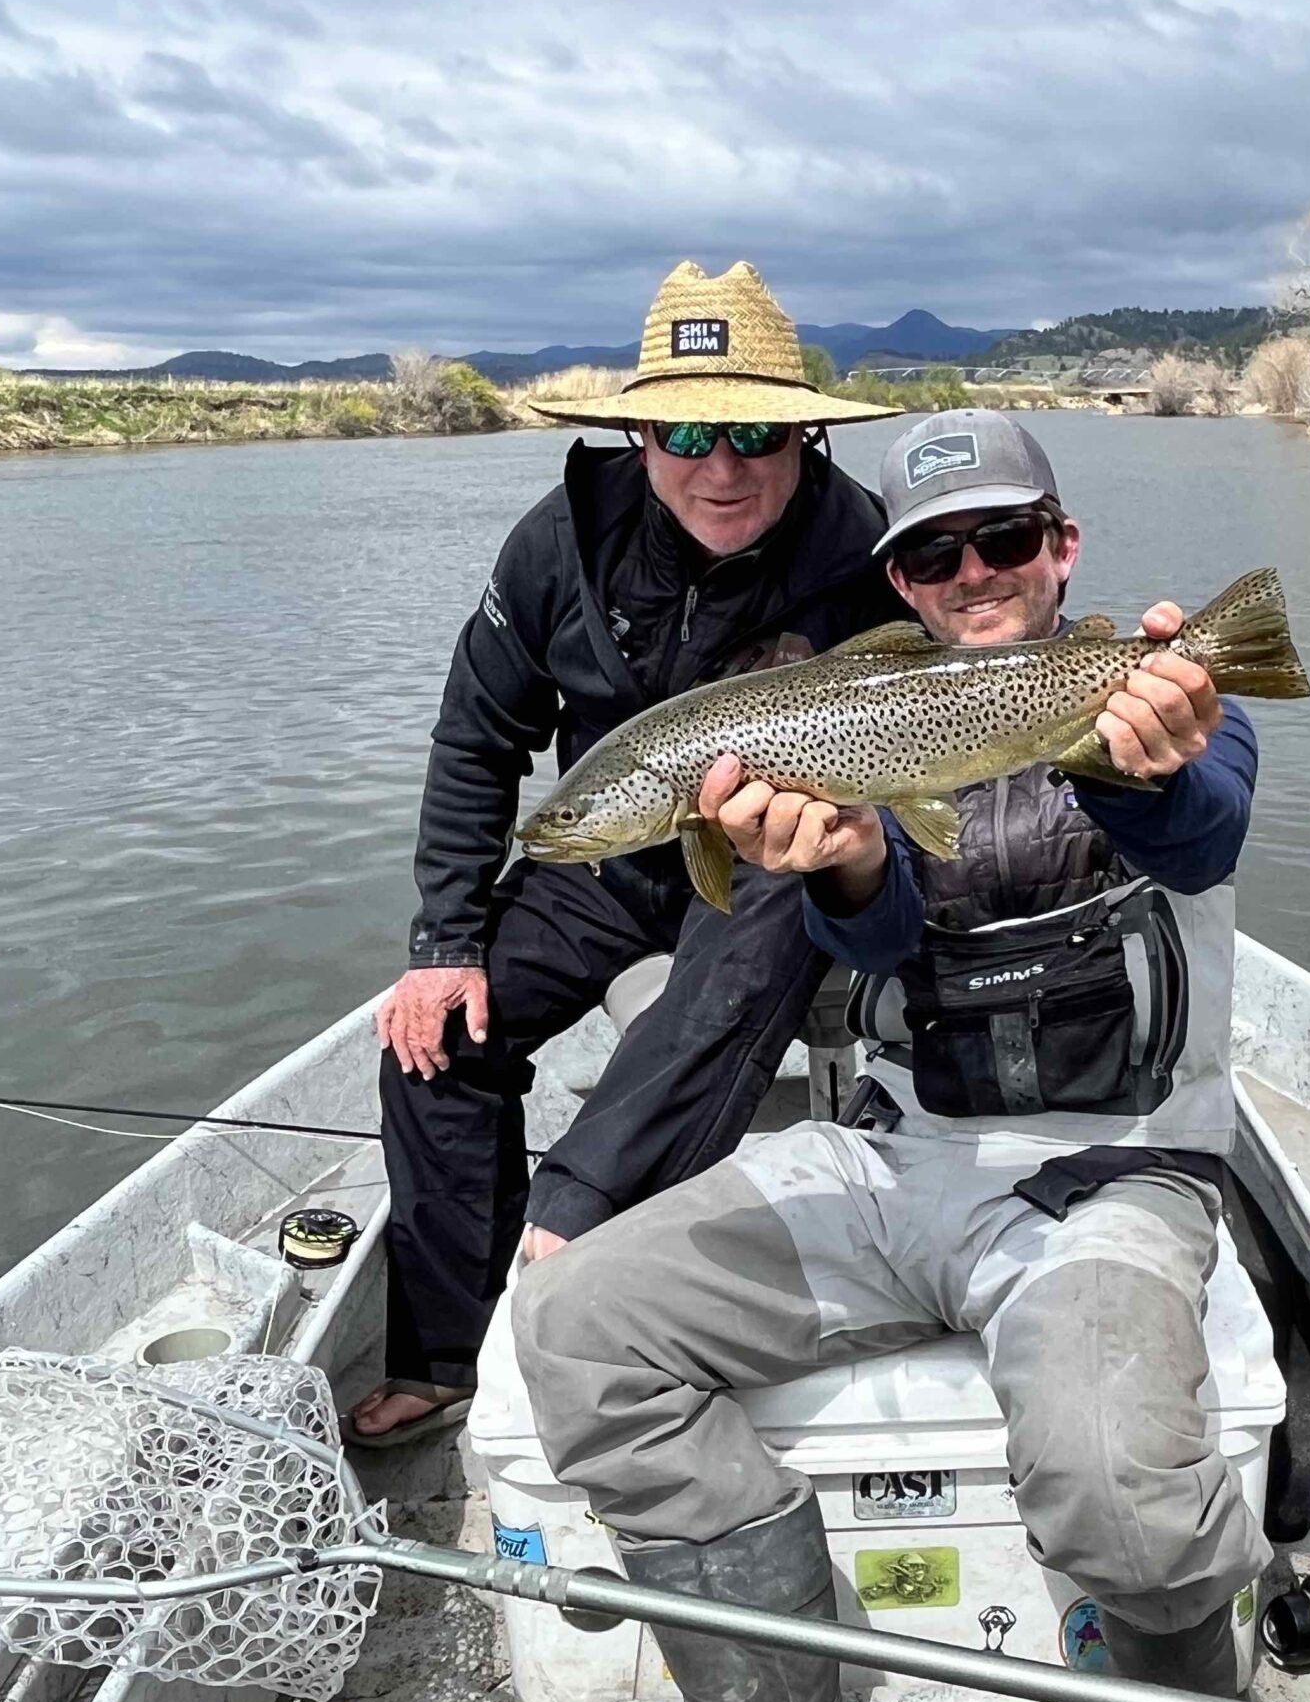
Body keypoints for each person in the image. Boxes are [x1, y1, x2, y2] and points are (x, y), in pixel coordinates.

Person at [514, 409, 1269, 1702]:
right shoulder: (859, 711)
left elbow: (1204, 831)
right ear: (902, 581)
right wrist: (844, 858)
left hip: (1109, 1175)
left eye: (1005, 539)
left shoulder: (1167, 691)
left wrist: (1148, 756)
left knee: (1122, 1498)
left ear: (1065, 548)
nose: (974, 570)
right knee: (581, 1326)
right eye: (936, 552)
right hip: (892, 1151)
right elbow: (863, 942)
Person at [349, 262, 899, 1446]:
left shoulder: (862, 550)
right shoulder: (559, 545)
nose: (723, 464)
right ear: (638, 434)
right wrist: (444, 942)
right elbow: (475, 737)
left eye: (756, 429)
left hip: (770, 857)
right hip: (605, 854)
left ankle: (581, 1242)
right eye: (688, 428)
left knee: (716, 1000)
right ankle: (448, 1353)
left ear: (802, 432)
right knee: (433, 1040)